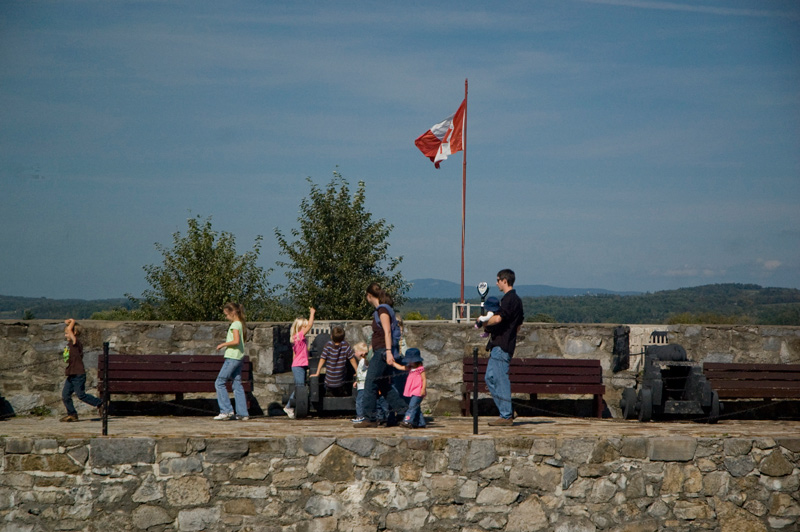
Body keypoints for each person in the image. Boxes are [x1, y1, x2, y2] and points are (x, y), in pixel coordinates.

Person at [354, 282, 408, 428]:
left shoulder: (382, 310)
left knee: (370, 383)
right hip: (383, 350)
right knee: (384, 385)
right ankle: (404, 411)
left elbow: (387, 332)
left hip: (383, 352)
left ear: (369, 295)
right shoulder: (384, 309)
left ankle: (369, 417)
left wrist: (388, 352)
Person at [483, 269, 525, 426]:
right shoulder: (517, 300)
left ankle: (506, 415)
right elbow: (519, 324)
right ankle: (506, 409)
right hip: (502, 344)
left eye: (498, 280)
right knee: (490, 377)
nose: (496, 283)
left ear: (505, 281)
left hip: (502, 345)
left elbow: (499, 319)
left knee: (500, 379)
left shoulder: (509, 299)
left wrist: (484, 322)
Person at [60, 319, 102, 422]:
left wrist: (72, 322)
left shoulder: (76, 343)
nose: (66, 335)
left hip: (78, 374)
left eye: (67, 333)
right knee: (65, 395)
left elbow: (70, 329)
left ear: (74, 333)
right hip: (71, 373)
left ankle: (100, 403)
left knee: (81, 395)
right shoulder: (69, 345)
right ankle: (72, 414)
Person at [213, 302, 250, 421]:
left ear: (233, 313)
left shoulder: (235, 325)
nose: (226, 317)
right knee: (236, 384)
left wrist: (223, 344)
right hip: (239, 357)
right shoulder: (240, 324)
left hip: (232, 357)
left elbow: (236, 341)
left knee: (219, 382)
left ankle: (226, 410)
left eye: (227, 314)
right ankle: (242, 413)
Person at [284, 307, 315, 419]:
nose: (307, 328)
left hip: (299, 364)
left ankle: (291, 406)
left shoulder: (299, 338)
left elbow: (296, 354)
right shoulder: (298, 336)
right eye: (305, 326)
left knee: (300, 386)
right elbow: (310, 325)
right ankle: (289, 406)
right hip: (298, 365)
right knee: (300, 387)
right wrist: (312, 313)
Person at [310, 325, 357, 397]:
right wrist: (357, 372)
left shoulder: (328, 345)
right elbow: (352, 359)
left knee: (328, 386)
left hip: (329, 381)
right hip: (341, 381)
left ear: (331, 336)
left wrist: (317, 372)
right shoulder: (345, 345)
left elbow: (322, 358)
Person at [390, 348, 427, 428]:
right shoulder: (409, 368)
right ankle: (421, 423)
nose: (409, 362)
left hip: (418, 391)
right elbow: (400, 367)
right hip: (412, 391)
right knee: (416, 407)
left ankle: (407, 421)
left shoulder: (420, 369)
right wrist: (393, 363)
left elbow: (424, 379)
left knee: (412, 406)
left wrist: (423, 389)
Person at [351, 342, 369, 423]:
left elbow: (366, 366)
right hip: (360, 384)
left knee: (359, 401)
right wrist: (356, 381)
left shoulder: (363, 361)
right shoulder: (361, 362)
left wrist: (364, 356)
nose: (354, 353)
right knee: (361, 400)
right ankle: (362, 415)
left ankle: (360, 416)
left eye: (356, 351)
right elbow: (361, 374)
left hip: (363, 386)